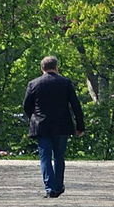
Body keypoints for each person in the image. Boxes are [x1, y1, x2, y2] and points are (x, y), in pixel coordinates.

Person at [22, 55, 85, 198]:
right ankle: (58, 185)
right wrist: (80, 126)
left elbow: (26, 105)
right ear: (56, 67)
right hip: (62, 125)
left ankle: (50, 187)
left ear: (42, 68)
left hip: (41, 125)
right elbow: (76, 106)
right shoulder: (66, 83)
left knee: (45, 157)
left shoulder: (34, 84)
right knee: (59, 156)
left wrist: (33, 117)